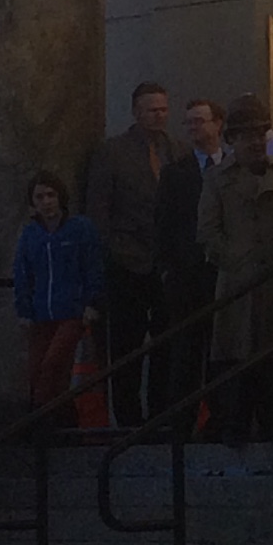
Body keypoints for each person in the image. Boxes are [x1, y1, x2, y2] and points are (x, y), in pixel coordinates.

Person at [201, 93, 273, 440]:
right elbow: (208, 232)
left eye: (259, 134)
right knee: (238, 360)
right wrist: (236, 262)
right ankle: (235, 424)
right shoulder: (217, 180)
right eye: (246, 135)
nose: (254, 142)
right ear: (232, 140)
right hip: (240, 288)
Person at [83, 81, 177, 423]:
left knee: (168, 345)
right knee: (126, 348)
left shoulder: (176, 150)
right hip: (126, 262)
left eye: (163, 109)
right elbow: (98, 210)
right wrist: (113, 251)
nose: (159, 116)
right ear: (137, 112)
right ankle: (128, 421)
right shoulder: (112, 152)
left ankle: (161, 415)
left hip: (165, 264)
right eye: (152, 110)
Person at [155, 95, 230, 424]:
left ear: (218, 124)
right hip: (187, 278)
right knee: (185, 353)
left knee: (224, 350)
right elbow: (163, 224)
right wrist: (167, 270)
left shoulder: (233, 169)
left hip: (226, 274)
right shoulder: (175, 173)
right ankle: (181, 424)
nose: (192, 127)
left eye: (199, 120)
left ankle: (222, 418)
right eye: (188, 122)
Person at [11, 171, 104, 420]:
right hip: (41, 312)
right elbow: (22, 272)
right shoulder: (31, 234)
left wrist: (91, 302)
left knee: (54, 362)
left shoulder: (80, 228)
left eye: (50, 195)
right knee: (36, 369)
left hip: (71, 311)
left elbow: (93, 266)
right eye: (39, 197)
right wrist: (24, 309)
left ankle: (39, 418)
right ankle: (61, 418)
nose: (46, 202)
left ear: (60, 196)